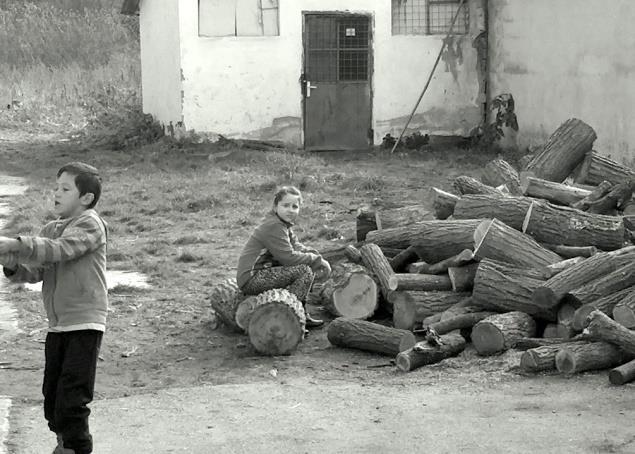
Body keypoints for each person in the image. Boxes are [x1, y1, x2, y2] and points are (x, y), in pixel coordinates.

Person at [0, 162, 108, 454]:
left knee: (72, 399)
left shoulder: (90, 224)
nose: (56, 193)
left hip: (85, 323)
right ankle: (63, 445)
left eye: (65, 188)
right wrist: (11, 263)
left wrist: (15, 243)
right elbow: (36, 272)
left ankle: (75, 447)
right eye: (55, 187)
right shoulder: (51, 229)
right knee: (52, 399)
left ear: (86, 198)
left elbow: (61, 250)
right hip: (57, 326)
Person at [236, 185, 331, 327]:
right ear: (275, 207)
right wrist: (317, 261)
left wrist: (316, 255)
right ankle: (289, 316)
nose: (290, 210)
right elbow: (288, 257)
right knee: (304, 271)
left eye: (295, 206)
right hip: (251, 278)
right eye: (285, 205)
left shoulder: (283, 224)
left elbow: (296, 246)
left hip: (261, 273)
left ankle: (300, 312)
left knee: (304, 269)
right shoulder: (273, 225)